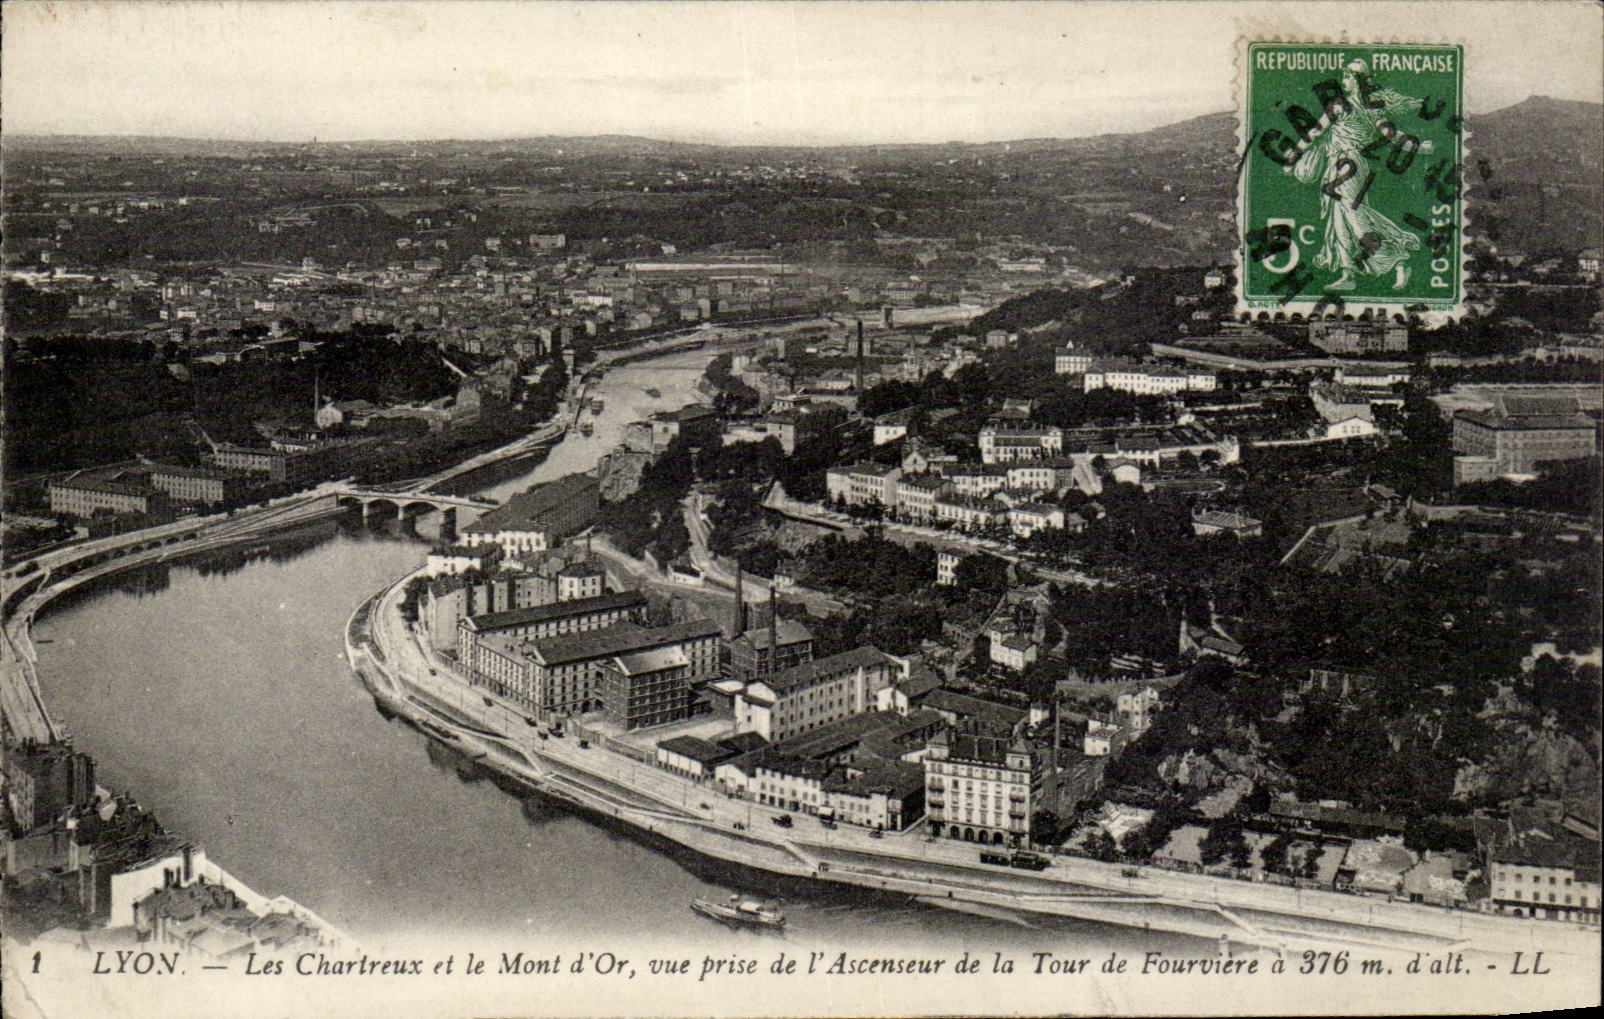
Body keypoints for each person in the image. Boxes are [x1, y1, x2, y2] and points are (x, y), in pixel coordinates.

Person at [1285, 60, 1434, 291]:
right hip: (1339, 165)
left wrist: (1418, 148)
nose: (1343, 81)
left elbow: (1389, 134)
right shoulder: (1362, 107)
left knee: (1355, 219)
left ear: (1357, 80)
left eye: (1347, 77)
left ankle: (1398, 260)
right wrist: (1418, 147)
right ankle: (1348, 274)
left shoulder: (1347, 105)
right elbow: (1316, 132)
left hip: (1349, 166)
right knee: (1340, 220)